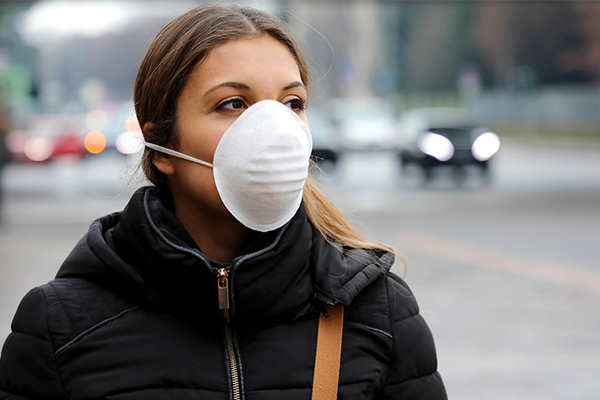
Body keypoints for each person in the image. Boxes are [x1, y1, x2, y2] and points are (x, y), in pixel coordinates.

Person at [0, 4, 447, 399]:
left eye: (292, 103)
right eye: (233, 103)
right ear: (160, 146)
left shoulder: (377, 311)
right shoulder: (61, 326)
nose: (275, 130)